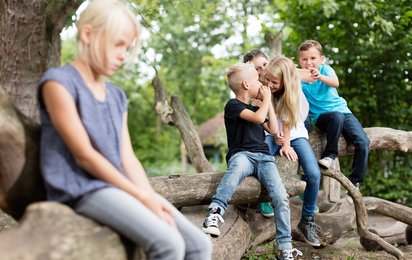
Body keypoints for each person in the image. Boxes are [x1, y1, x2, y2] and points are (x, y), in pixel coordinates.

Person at [37, 1, 212, 259]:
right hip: (82, 188)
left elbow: (126, 157)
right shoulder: (59, 83)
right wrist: (141, 197)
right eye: (117, 45)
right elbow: (83, 154)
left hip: (119, 187)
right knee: (169, 244)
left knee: (200, 245)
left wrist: (150, 197)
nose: (123, 55)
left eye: (127, 48)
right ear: (88, 34)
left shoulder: (117, 96)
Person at [201, 63, 302, 260]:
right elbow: (257, 118)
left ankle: (285, 247)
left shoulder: (259, 106)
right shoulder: (233, 106)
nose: (262, 84)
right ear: (246, 85)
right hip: (242, 155)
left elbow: (273, 129)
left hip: (265, 158)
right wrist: (265, 100)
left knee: (280, 197)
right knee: (235, 173)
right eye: (258, 81)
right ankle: (214, 213)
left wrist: (269, 103)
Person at [262, 56, 321, 247]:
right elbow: (262, 117)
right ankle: (258, 201)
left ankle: (307, 220)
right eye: (268, 79)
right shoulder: (266, 88)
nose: (270, 84)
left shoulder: (293, 89)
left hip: (295, 133)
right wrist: (274, 134)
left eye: (274, 82)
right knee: (260, 156)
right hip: (272, 133)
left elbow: (288, 121)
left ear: (285, 81)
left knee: (313, 174)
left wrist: (285, 144)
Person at [297, 40, 370, 188]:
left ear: (321, 59)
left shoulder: (325, 70)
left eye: (313, 58)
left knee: (363, 142)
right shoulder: (299, 79)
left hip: (343, 112)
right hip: (322, 118)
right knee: (336, 116)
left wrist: (320, 77)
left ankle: (355, 181)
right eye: (304, 59)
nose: (308, 62)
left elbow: (336, 82)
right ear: (300, 61)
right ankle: (330, 155)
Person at [243, 49, 274, 218]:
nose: (263, 70)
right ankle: (264, 198)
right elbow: (260, 123)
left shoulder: (279, 80)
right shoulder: (253, 92)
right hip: (265, 132)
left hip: (285, 128)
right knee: (263, 154)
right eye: (257, 68)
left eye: (265, 65)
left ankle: (302, 187)